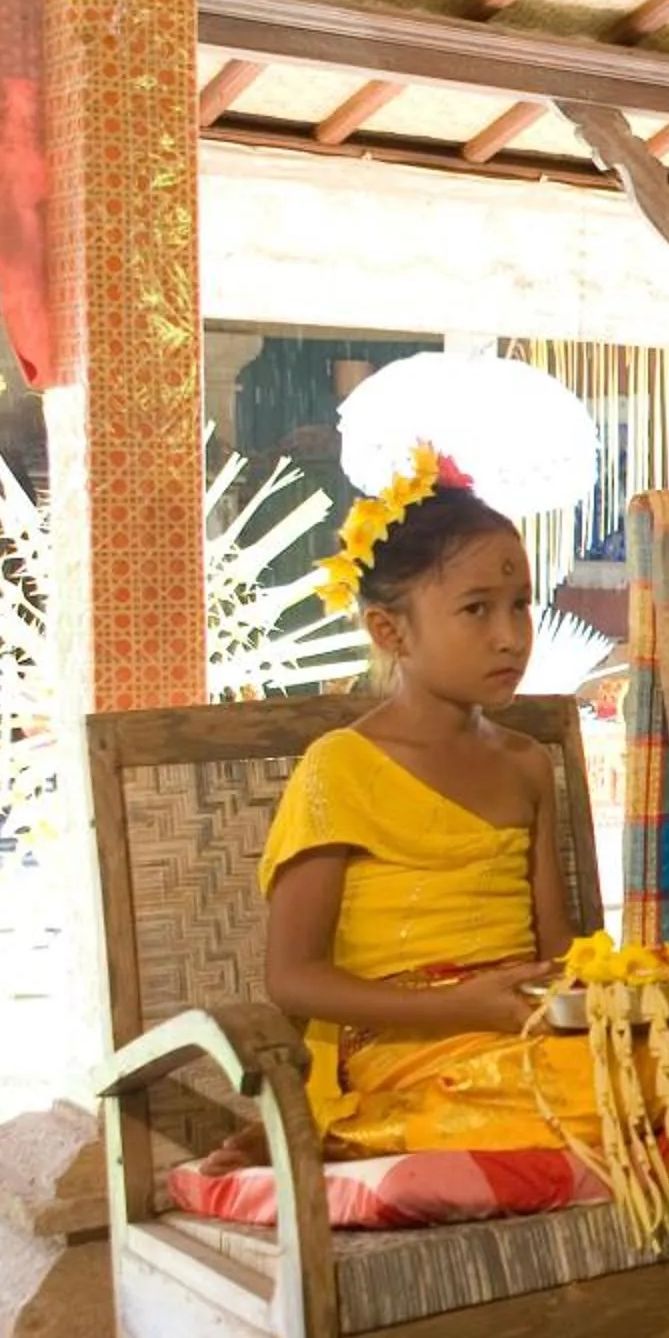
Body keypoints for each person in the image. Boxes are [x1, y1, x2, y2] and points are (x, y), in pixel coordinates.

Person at [259, 447, 588, 1155]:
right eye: (476, 609)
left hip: (519, 1032)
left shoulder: (526, 765)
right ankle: (378, 1137)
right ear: (389, 631)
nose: (510, 636)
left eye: (520, 606)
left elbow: (557, 949)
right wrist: (451, 1007)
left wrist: (631, 992)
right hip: (403, 1046)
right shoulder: (340, 769)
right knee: (576, 1099)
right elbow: (291, 977)